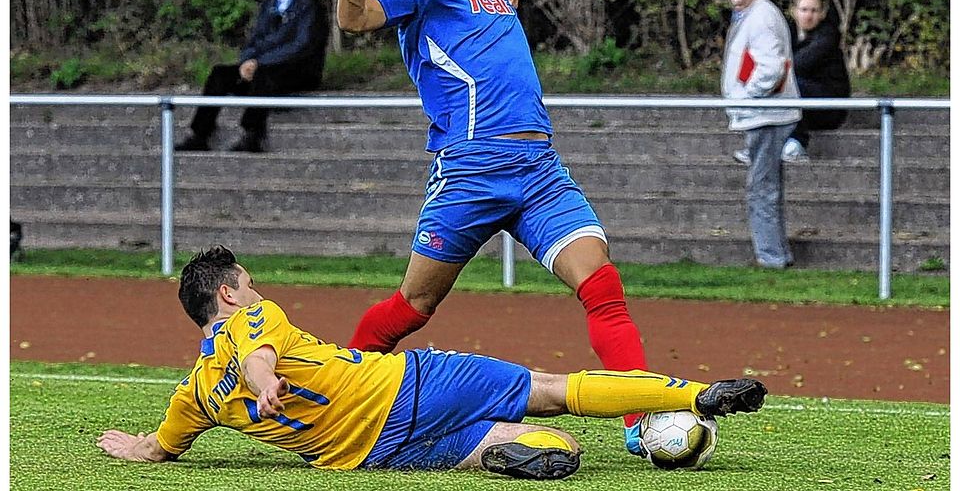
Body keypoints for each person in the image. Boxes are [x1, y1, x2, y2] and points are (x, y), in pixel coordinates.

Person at [335, 0, 652, 454]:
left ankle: (643, 420)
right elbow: (352, 18)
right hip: (470, 172)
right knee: (414, 306)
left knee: (602, 284)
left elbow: (482, 38)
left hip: (539, 168)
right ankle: (338, 389)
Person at [96, 246, 768, 480]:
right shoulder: (251, 318)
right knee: (553, 391)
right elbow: (258, 356)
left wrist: (130, 446)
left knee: (559, 448)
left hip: (371, 454)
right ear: (228, 291)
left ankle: (509, 456)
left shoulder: (192, 395)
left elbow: (160, 447)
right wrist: (266, 379)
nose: (260, 290)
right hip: (410, 382)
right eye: (251, 280)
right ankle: (697, 396)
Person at [175, 0, 327, 153]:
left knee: (264, 76)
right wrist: (247, 60)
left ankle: (252, 135)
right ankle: (199, 134)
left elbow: (301, 45)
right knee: (220, 74)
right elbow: (254, 40)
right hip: (263, 68)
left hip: (298, 72)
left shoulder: (310, 6)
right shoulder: (268, 5)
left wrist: (260, 63)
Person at [721, 0, 800, 269]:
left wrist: (745, 97)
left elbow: (771, 67)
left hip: (766, 115)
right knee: (766, 187)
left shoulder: (762, 18)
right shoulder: (755, 16)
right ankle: (777, 253)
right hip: (764, 113)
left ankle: (771, 257)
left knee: (761, 189)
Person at [781, 0, 851, 161]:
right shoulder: (786, 33)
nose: (808, 15)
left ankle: (796, 143)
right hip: (803, 104)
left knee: (789, 85)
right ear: (794, 11)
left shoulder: (828, 35)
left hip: (829, 106)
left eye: (814, 10)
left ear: (822, 14)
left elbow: (799, 65)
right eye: (804, 10)